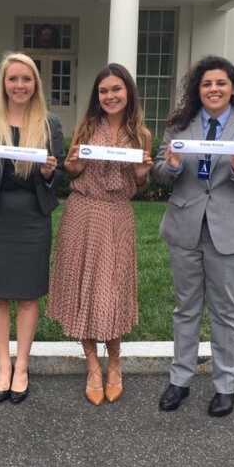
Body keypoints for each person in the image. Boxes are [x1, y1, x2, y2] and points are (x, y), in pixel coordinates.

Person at [152, 55, 234, 417]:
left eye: (220, 83)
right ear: (198, 89)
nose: (213, 89)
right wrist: (171, 168)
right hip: (185, 228)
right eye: (206, 83)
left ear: (233, 88)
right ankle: (180, 379)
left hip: (230, 231)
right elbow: (160, 172)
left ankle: (226, 385)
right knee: (186, 307)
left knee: (225, 310)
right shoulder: (180, 126)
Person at [47, 63, 152, 405]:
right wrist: (73, 165)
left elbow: (140, 181)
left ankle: (115, 362)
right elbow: (72, 170)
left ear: (128, 92)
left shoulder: (142, 134)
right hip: (83, 212)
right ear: (97, 96)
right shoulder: (86, 127)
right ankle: (93, 365)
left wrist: (141, 173)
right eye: (104, 91)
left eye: (116, 89)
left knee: (113, 289)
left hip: (117, 215)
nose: (110, 96)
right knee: (84, 289)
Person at [0, 52, 64, 404]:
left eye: (26, 79)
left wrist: (50, 173)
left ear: (35, 83)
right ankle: (2, 366)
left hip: (32, 216)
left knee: (27, 294)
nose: (20, 85)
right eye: (13, 79)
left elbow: (60, 174)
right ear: (4, 83)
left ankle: (22, 365)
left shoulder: (49, 123)